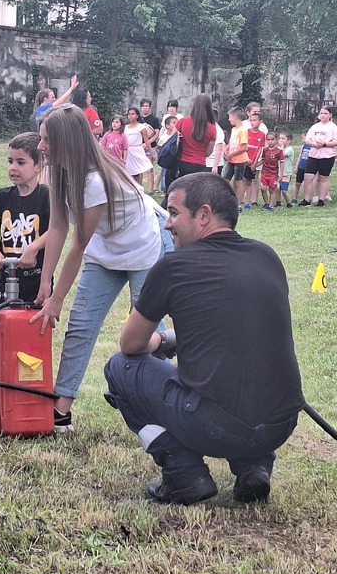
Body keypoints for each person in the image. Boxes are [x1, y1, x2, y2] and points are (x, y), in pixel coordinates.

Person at [104, 173, 304, 505]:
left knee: (120, 369)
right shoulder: (266, 256)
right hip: (280, 425)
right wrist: (172, 339)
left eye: (173, 212)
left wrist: (159, 342)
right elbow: (233, 330)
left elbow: (131, 345)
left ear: (204, 215)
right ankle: (254, 465)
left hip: (217, 428)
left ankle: (184, 476)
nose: (167, 224)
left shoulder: (174, 266)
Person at [31, 105, 172, 434]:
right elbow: (58, 228)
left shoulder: (94, 179)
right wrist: (45, 284)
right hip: (105, 248)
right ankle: (61, 411)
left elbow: (77, 244)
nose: (40, 147)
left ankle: (166, 405)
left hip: (145, 245)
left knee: (143, 334)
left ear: (66, 142)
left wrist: (57, 299)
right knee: (81, 326)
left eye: (47, 140)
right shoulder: (59, 170)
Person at [0, 132, 51, 303]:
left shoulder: (46, 197)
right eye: (10, 161)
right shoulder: (3, 196)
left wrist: (33, 248)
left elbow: (57, 230)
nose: (13, 167)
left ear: (39, 166)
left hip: (36, 284)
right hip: (4, 284)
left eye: (20, 162)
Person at [299, 106, 337, 207]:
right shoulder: (315, 127)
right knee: (308, 177)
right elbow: (307, 139)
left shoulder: (333, 127)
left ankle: (321, 199)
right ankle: (306, 199)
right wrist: (314, 145)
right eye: (321, 113)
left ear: (330, 115)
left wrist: (325, 144)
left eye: (325, 113)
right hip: (314, 155)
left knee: (323, 177)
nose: (323, 115)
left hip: (327, 156)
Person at [174, 93, 217, 180]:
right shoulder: (212, 129)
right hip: (199, 165)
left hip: (181, 163)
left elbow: (173, 142)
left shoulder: (181, 122)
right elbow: (208, 153)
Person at [221, 107, 249, 209]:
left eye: (230, 117)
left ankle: (238, 204)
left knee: (238, 180)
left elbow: (244, 147)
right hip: (232, 160)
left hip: (240, 160)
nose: (229, 119)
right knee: (225, 179)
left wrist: (231, 155)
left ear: (235, 117)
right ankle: (226, 200)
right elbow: (232, 142)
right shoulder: (234, 129)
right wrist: (226, 149)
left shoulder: (243, 130)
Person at [241, 105, 267, 210]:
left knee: (252, 180)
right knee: (243, 179)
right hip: (245, 160)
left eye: (255, 120)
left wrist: (255, 162)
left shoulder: (261, 135)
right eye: (251, 120)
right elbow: (244, 147)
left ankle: (250, 201)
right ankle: (241, 200)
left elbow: (260, 149)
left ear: (260, 122)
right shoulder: (246, 132)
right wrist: (247, 159)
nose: (252, 122)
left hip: (254, 162)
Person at [123, 106, 155, 187]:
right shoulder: (125, 127)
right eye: (129, 114)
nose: (130, 116)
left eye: (133, 114)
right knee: (129, 173)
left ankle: (139, 189)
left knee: (137, 172)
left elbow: (146, 140)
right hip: (128, 151)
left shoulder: (141, 127)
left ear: (137, 116)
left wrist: (151, 153)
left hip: (137, 150)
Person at [259, 131, 284, 211]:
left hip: (273, 173)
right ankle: (266, 203)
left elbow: (281, 162)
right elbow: (262, 160)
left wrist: (281, 174)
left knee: (272, 189)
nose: (270, 141)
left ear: (276, 140)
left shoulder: (279, 151)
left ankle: (271, 205)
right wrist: (255, 165)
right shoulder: (265, 150)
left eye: (272, 139)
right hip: (264, 172)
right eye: (268, 140)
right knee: (263, 188)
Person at [140, 98, 161, 194]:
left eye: (146, 106)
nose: (145, 108)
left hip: (150, 146)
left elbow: (156, 134)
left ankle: (151, 190)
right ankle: (139, 188)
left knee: (149, 168)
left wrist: (147, 143)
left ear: (150, 107)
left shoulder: (154, 119)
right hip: (139, 147)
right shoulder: (138, 119)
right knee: (138, 169)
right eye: (143, 106)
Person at [290, 130, 312, 206]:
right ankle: (294, 198)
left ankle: (306, 198)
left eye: (303, 137)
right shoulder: (303, 146)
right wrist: (296, 166)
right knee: (297, 183)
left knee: (307, 183)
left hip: (308, 168)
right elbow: (300, 156)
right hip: (301, 167)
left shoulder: (312, 146)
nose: (302, 139)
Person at [278, 131, 295, 207]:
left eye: (283, 138)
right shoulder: (279, 148)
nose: (280, 140)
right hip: (278, 172)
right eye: (279, 138)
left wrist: (281, 147)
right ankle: (277, 202)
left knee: (284, 190)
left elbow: (282, 155)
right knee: (277, 189)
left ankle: (289, 203)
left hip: (286, 173)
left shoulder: (289, 149)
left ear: (288, 141)